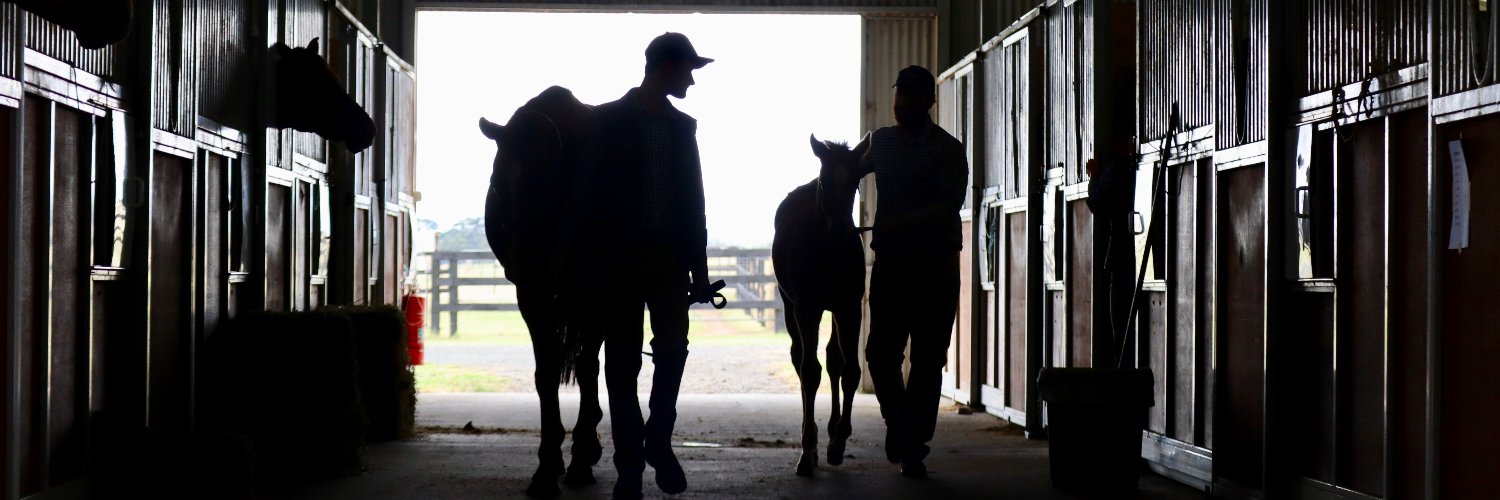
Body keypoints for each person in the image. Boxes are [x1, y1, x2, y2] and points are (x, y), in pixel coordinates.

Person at [584, 32, 715, 499]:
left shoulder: (684, 128)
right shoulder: (605, 121)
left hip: (667, 261)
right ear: (668, 67)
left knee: (673, 354)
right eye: (689, 71)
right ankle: (630, 464)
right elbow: (590, 200)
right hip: (619, 264)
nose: (692, 81)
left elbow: (694, 203)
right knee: (620, 365)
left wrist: (698, 270)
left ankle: (657, 439)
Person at [861, 65, 969, 479]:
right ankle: (901, 427)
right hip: (891, 264)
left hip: (934, 266)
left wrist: (904, 222)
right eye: (899, 93)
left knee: (927, 359)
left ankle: (914, 447)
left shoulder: (947, 149)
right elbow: (849, 170)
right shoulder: (879, 144)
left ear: (928, 101)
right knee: (879, 354)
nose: (901, 101)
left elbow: (949, 204)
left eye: (910, 95)